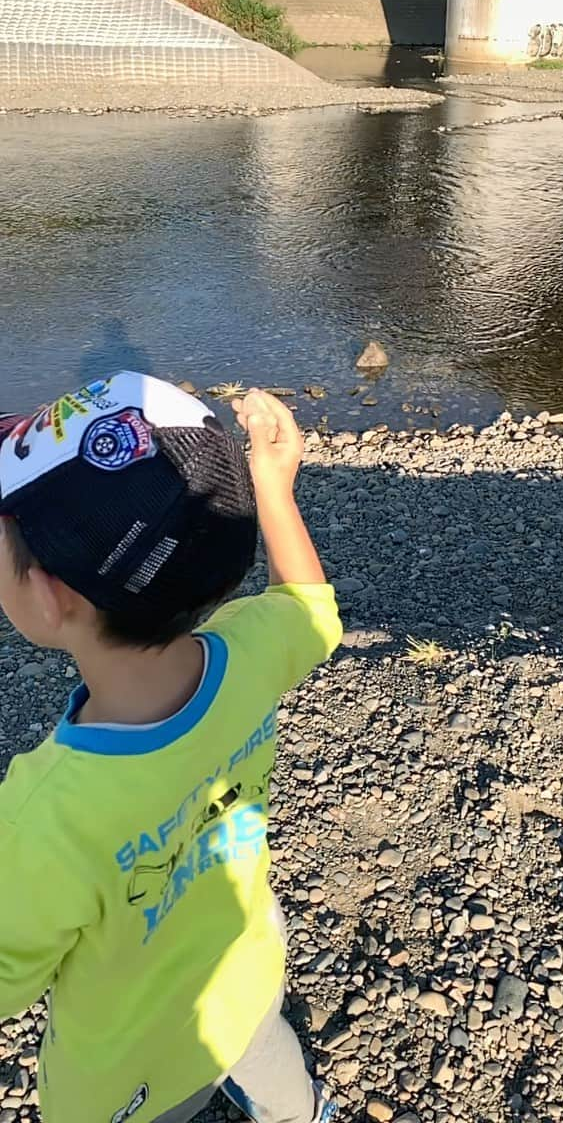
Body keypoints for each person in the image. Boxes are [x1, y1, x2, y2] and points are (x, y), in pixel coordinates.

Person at [0, 371, 343, 1123]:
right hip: (245, 966)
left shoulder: (43, 812)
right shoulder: (249, 650)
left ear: (51, 598)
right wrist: (275, 487)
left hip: (122, 1073)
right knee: (265, 1055)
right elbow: (311, 612)